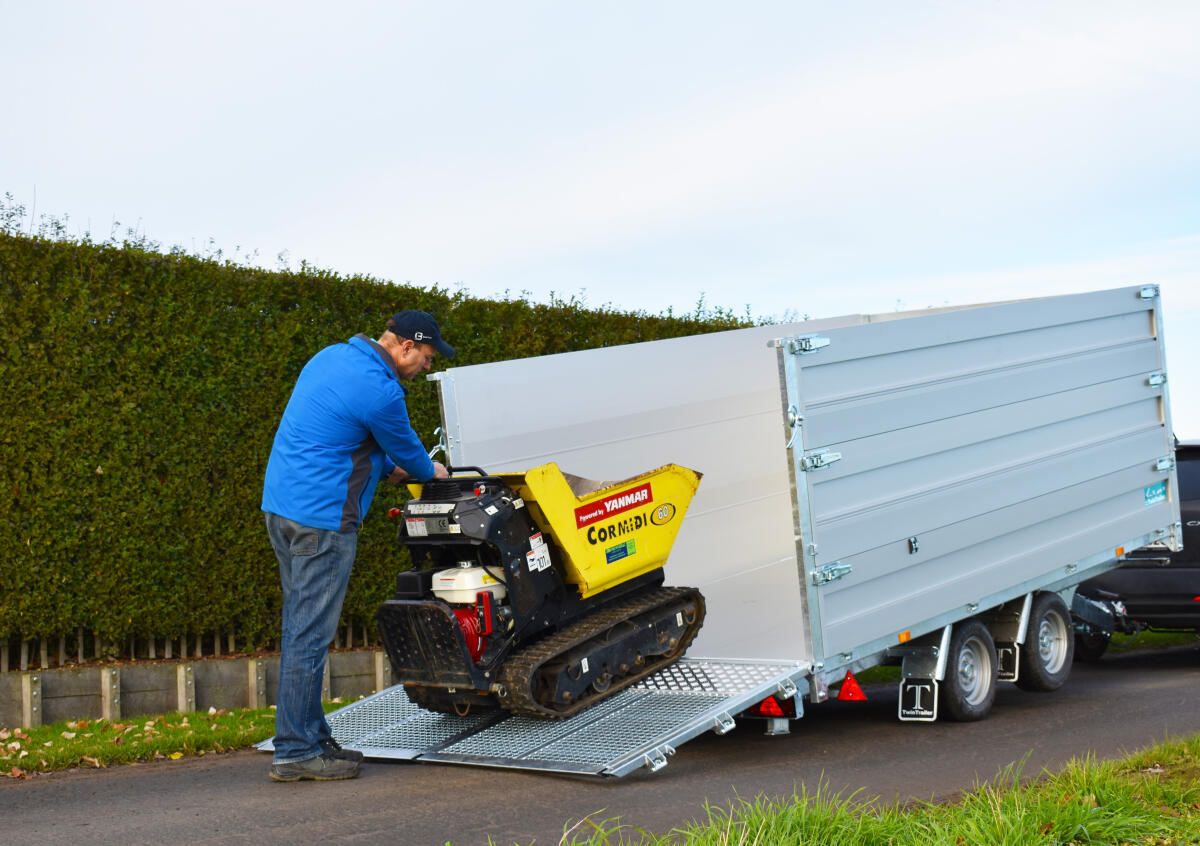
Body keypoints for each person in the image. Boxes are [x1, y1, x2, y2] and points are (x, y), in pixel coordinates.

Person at [261, 310, 453, 782]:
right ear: (406, 346)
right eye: (427, 358)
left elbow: (339, 433)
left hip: (283, 511)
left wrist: (387, 467)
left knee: (301, 628)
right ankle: (294, 751)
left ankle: (311, 735)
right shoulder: (382, 390)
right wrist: (435, 474)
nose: (426, 368)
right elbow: (410, 454)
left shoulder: (331, 358)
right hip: (323, 522)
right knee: (309, 636)